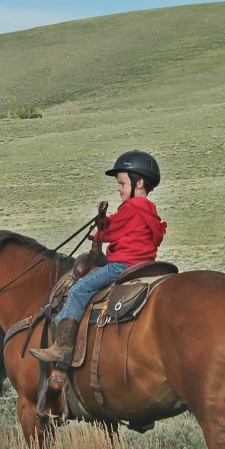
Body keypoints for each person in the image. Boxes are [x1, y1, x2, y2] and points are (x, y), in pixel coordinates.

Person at [30, 151, 167, 383]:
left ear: (139, 182)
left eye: (122, 183)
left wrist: (98, 232)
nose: (119, 188)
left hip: (122, 266)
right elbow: (124, 227)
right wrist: (104, 219)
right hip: (146, 265)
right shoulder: (149, 210)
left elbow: (111, 232)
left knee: (78, 290)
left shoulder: (132, 207)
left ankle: (62, 346)